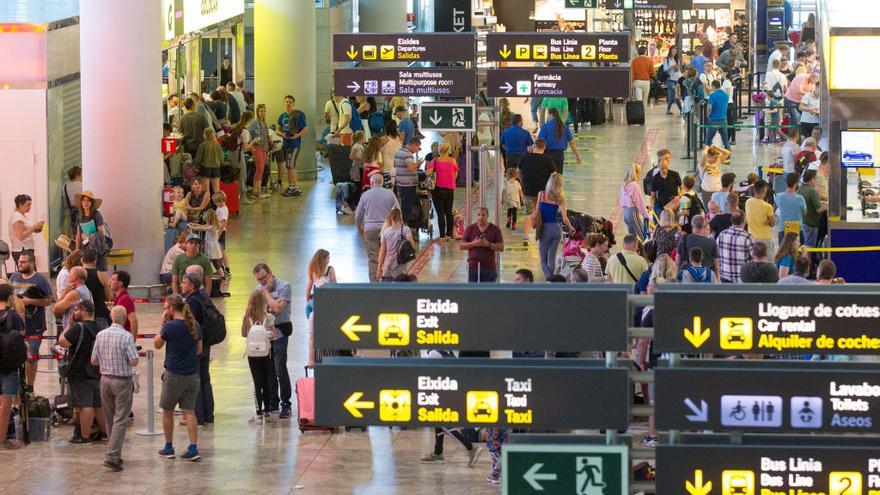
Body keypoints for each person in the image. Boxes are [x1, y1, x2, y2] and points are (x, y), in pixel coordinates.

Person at [155, 294, 203, 461]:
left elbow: (157, 344)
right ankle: (193, 448)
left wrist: (162, 323)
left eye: (165, 308)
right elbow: (199, 350)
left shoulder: (170, 327)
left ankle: (169, 447)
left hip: (174, 375)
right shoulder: (195, 325)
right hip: (193, 375)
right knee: (189, 411)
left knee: (167, 411)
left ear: (171, 309)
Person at [90, 305, 138, 471]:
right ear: (124, 319)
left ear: (111, 317)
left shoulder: (101, 335)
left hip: (104, 380)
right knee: (120, 419)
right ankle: (112, 456)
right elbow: (134, 361)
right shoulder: (127, 336)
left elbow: (94, 360)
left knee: (109, 418)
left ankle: (114, 453)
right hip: (121, 381)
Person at [59, 300, 106, 444]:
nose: (74, 313)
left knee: (86, 404)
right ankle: (107, 433)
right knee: (98, 405)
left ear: (84, 311)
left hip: (80, 372)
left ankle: (84, 437)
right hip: (97, 371)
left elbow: (62, 342)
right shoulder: (99, 327)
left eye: (76, 310)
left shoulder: (77, 328)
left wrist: (68, 325)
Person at [253, 263, 292, 417]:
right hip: (265, 336)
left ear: (270, 274)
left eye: (264, 278)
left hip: (281, 333)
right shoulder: (257, 290)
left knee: (280, 369)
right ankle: (272, 403)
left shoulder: (284, 286)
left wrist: (267, 292)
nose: (262, 282)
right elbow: (256, 311)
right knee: (269, 371)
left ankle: (286, 403)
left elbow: (277, 308)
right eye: (259, 280)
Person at [9, 251, 52, 388]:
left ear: (32, 263)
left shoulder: (41, 280)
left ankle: (30, 387)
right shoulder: (15, 277)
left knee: (31, 357)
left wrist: (29, 301)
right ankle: (17, 388)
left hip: (34, 325)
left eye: (23, 262)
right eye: (19, 262)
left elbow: (48, 301)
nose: (20, 264)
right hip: (15, 326)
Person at [242, 289, 277, 424]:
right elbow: (273, 335)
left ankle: (258, 412)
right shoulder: (268, 317)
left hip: (252, 354)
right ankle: (267, 410)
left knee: (256, 381)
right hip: (265, 352)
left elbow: (244, 333)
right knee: (266, 379)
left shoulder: (247, 317)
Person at [356, 174, 400, 282]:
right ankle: (387, 280)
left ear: (371, 183)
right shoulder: (390, 194)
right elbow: (398, 210)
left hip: (370, 230)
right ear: (382, 183)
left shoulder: (365, 195)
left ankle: (374, 283)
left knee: (373, 258)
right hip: (387, 230)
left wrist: (359, 227)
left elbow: (358, 215)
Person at [534, 173, 574, 280]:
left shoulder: (541, 195)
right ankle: (552, 280)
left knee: (543, 260)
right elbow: (565, 218)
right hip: (556, 230)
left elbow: (536, 212)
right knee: (552, 257)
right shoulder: (561, 198)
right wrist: (570, 227)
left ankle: (550, 280)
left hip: (544, 229)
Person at [0, 284, 25, 450]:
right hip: (8, 365)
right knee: (6, 402)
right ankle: (1, 438)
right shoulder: (14, 317)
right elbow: (21, 335)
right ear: (10, 297)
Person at [518, 139, 557, 245]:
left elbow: (519, 171)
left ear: (534, 146)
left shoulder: (525, 157)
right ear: (544, 148)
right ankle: (543, 236)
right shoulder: (548, 159)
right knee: (543, 213)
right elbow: (554, 176)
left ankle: (526, 236)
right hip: (544, 191)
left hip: (529, 190)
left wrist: (522, 183)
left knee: (529, 212)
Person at [460, 207, 504, 283]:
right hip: (473, 267)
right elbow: (461, 246)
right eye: (479, 215)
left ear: (487, 216)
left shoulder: (495, 229)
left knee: (488, 292)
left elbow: (501, 247)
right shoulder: (470, 228)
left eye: (483, 215)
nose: (481, 217)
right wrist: (473, 243)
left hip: (489, 267)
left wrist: (488, 244)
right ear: (476, 216)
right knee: (473, 291)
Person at [276, 95, 308, 197]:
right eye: (286, 102)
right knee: (290, 166)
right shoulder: (282, 116)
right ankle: (294, 187)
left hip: (294, 145)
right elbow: (277, 130)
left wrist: (297, 136)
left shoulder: (299, 115)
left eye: (290, 102)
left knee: (290, 166)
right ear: (284, 103)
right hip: (285, 144)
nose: (288, 103)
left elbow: (305, 129)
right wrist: (282, 134)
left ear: (293, 103)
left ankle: (292, 187)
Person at [426, 142, 458, 239]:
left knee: (440, 213)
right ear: (449, 150)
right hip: (449, 189)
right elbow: (455, 175)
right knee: (448, 212)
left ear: (439, 150)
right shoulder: (453, 161)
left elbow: (427, 173)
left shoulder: (434, 161)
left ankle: (442, 236)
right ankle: (449, 235)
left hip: (437, 190)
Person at [394, 138, 424, 235]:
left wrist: (415, 165)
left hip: (401, 183)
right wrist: (418, 164)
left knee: (405, 205)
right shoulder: (407, 154)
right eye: (417, 148)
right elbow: (411, 168)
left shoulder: (399, 152)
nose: (417, 150)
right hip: (408, 185)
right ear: (413, 145)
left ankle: (404, 226)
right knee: (407, 207)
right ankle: (405, 228)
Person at [537, 108, 580, 175]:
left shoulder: (545, 127)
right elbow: (572, 142)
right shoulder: (564, 126)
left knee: (548, 178)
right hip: (560, 156)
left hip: (548, 155)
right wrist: (577, 155)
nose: (547, 117)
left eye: (547, 115)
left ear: (552, 115)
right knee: (558, 178)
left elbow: (540, 143)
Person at [54, 266, 94, 334]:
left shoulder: (75, 293)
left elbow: (56, 309)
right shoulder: (86, 289)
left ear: (75, 277)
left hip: (73, 331)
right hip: (83, 328)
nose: (68, 276)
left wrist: (64, 293)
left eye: (70, 274)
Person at [377, 208, 414, 282]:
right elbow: (411, 245)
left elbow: (382, 252)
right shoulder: (405, 229)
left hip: (388, 267)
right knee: (401, 291)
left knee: (387, 291)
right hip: (400, 267)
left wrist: (379, 269)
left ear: (390, 217)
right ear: (401, 217)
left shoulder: (385, 231)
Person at [717, 211, 754, 283]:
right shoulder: (747, 237)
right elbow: (754, 257)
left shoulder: (722, 234)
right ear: (744, 221)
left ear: (731, 220)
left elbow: (717, 254)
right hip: (742, 277)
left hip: (725, 276)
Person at [188, 209, 226, 279]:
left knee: (212, 262)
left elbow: (202, 228)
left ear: (209, 218)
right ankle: (221, 276)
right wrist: (194, 224)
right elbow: (202, 226)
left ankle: (218, 276)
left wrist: (191, 227)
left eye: (205, 217)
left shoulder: (212, 227)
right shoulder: (210, 224)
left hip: (212, 247)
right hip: (211, 245)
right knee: (214, 262)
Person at [619, 163, 653, 240]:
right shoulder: (635, 186)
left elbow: (621, 202)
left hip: (626, 215)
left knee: (632, 238)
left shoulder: (623, 185)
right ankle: (648, 251)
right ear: (636, 173)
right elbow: (640, 205)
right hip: (632, 214)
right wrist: (649, 219)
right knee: (645, 237)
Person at [8, 194, 45, 264]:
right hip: (21, 250)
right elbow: (20, 236)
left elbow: (27, 231)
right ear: (20, 205)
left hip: (27, 249)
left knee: (31, 273)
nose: (30, 207)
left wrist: (37, 229)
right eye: (28, 205)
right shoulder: (17, 217)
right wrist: (34, 227)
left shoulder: (23, 216)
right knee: (29, 273)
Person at [745, 180, 777, 258]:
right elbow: (773, 224)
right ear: (764, 190)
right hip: (765, 238)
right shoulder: (768, 206)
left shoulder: (748, 202)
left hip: (751, 237)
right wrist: (769, 221)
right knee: (768, 262)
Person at [247, 104, 272, 199]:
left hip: (264, 147)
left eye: (264, 111)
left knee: (262, 169)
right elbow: (247, 131)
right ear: (257, 112)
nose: (263, 113)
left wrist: (268, 138)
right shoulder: (254, 122)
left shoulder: (264, 123)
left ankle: (259, 190)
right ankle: (255, 191)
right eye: (261, 111)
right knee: (259, 168)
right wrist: (251, 142)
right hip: (257, 148)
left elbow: (265, 134)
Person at [82, 248, 111, 328]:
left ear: (82, 260)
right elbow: (108, 297)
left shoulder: (78, 274)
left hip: (83, 314)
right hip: (99, 313)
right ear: (95, 260)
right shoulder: (100, 275)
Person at [774, 173, 807, 243]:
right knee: (798, 252)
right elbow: (805, 213)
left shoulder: (779, 196)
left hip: (783, 228)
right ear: (796, 183)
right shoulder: (800, 198)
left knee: (783, 251)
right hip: (798, 228)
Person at [650, 149, 682, 221]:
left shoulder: (675, 175)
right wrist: (651, 204)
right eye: (662, 169)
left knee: (675, 225)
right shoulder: (655, 178)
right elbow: (653, 195)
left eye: (665, 168)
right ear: (658, 166)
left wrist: (678, 196)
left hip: (674, 207)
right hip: (662, 208)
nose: (664, 170)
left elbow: (682, 188)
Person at [762, 59, 789, 144]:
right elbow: (785, 88)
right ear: (780, 65)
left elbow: (765, 86)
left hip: (770, 99)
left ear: (772, 65)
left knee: (768, 118)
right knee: (779, 118)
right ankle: (777, 136)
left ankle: (766, 137)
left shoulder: (768, 74)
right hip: (780, 100)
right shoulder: (783, 76)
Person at [799, 170, 826, 248]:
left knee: (806, 244)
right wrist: (828, 206)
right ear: (812, 179)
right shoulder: (812, 191)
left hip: (804, 222)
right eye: (816, 179)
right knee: (810, 248)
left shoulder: (801, 188)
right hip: (811, 224)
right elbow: (819, 209)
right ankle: (808, 260)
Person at [192, 127, 222, 197]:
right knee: (217, 191)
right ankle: (219, 206)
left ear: (205, 135)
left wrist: (193, 164)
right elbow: (221, 159)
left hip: (205, 170)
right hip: (216, 169)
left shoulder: (202, 145)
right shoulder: (218, 145)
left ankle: (207, 206)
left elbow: (198, 159)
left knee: (206, 191)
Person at [109, 271, 138, 339]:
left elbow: (134, 321)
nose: (110, 282)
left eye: (113, 279)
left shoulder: (124, 299)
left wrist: (132, 341)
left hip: (124, 338)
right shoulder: (119, 298)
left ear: (120, 283)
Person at [705, 80, 731, 149]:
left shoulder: (712, 95)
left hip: (714, 119)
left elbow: (709, 107)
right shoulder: (726, 95)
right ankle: (728, 156)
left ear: (713, 86)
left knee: (709, 140)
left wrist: (708, 115)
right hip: (724, 119)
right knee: (725, 140)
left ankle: (707, 155)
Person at [662, 46, 683, 114]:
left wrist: (677, 68)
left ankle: (668, 110)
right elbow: (665, 70)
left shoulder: (677, 60)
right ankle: (681, 110)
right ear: (670, 51)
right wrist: (671, 67)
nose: (674, 53)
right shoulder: (666, 59)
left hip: (676, 79)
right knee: (674, 93)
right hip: (669, 79)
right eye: (673, 51)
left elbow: (678, 70)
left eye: (675, 52)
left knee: (672, 95)